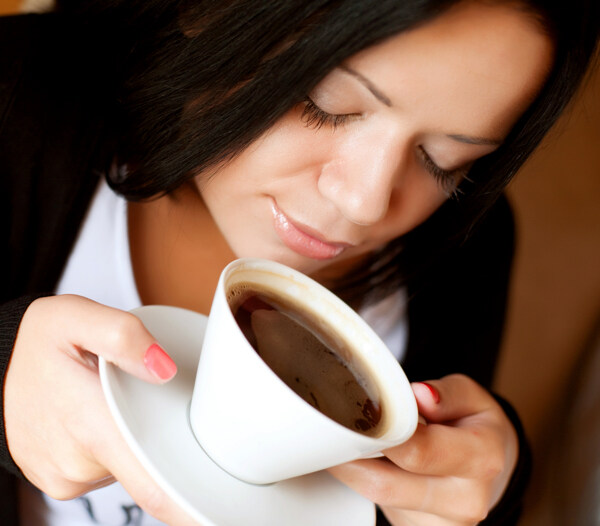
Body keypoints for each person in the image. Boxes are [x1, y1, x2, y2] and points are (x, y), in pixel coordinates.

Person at [0, 0, 598, 524]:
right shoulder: (22, 95)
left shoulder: (464, 250)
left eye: (442, 161)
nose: (364, 203)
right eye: (327, 104)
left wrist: (488, 485)